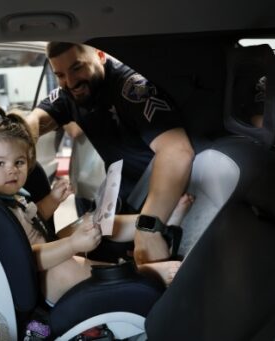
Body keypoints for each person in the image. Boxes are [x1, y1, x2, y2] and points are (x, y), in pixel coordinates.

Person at [0, 106, 192, 304]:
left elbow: (34, 218)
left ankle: (152, 223)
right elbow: (27, 257)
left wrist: (53, 200)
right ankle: (142, 274)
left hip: (48, 249)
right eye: (0, 163)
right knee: (66, 266)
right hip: (37, 279)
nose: (12, 169)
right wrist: (73, 245)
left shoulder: (13, 197)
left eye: (19, 162)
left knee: (92, 220)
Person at [26, 42, 195, 266]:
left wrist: (149, 227)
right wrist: (17, 140)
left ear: (100, 55)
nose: (71, 81)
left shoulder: (133, 88)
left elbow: (177, 151)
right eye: (60, 74)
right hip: (121, 201)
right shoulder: (68, 95)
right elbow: (36, 120)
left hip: (155, 198)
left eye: (77, 68)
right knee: (59, 243)